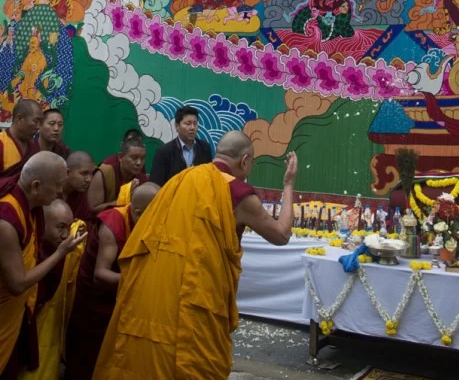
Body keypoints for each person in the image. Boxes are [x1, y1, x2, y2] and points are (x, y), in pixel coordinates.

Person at [93, 132, 298, 380]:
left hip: (162, 286)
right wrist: (288, 184)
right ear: (245, 161)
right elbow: (281, 234)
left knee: (152, 350)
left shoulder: (181, 179)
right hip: (199, 293)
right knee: (194, 360)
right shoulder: (238, 192)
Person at [0, 152, 86, 377]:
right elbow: (17, 284)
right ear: (36, 186)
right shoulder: (7, 219)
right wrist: (60, 253)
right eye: (57, 186)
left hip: (14, 314)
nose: (60, 192)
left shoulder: (31, 208)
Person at [64, 183, 159, 380]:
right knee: (86, 358)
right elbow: (100, 274)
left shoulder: (147, 221)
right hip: (94, 302)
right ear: (138, 213)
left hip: (120, 300)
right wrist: (142, 281)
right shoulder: (113, 223)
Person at [21, 199, 84, 380]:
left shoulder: (66, 249)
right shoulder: (29, 251)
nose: (66, 235)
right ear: (43, 223)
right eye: (60, 227)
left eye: (69, 228)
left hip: (48, 332)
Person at [149, 106, 211, 187]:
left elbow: (209, 177)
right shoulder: (164, 152)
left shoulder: (204, 148)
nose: (192, 128)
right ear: (177, 126)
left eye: (195, 123)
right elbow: (155, 184)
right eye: (188, 123)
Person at [87, 137, 148, 216]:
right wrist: (121, 201)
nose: (139, 163)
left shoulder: (142, 180)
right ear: (120, 157)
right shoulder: (105, 173)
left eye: (142, 158)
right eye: (134, 158)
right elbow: (93, 209)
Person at [0, 102, 42, 182]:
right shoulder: (1, 143)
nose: (38, 127)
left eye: (40, 122)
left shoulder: (34, 147)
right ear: (19, 119)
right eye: (36, 121)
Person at [62, 151, 95, 223]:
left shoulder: (81, 194)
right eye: (84, 173)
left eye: (91, 174)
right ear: (68, 172)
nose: (89, 179)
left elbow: (87, 222)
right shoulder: (51, 191)